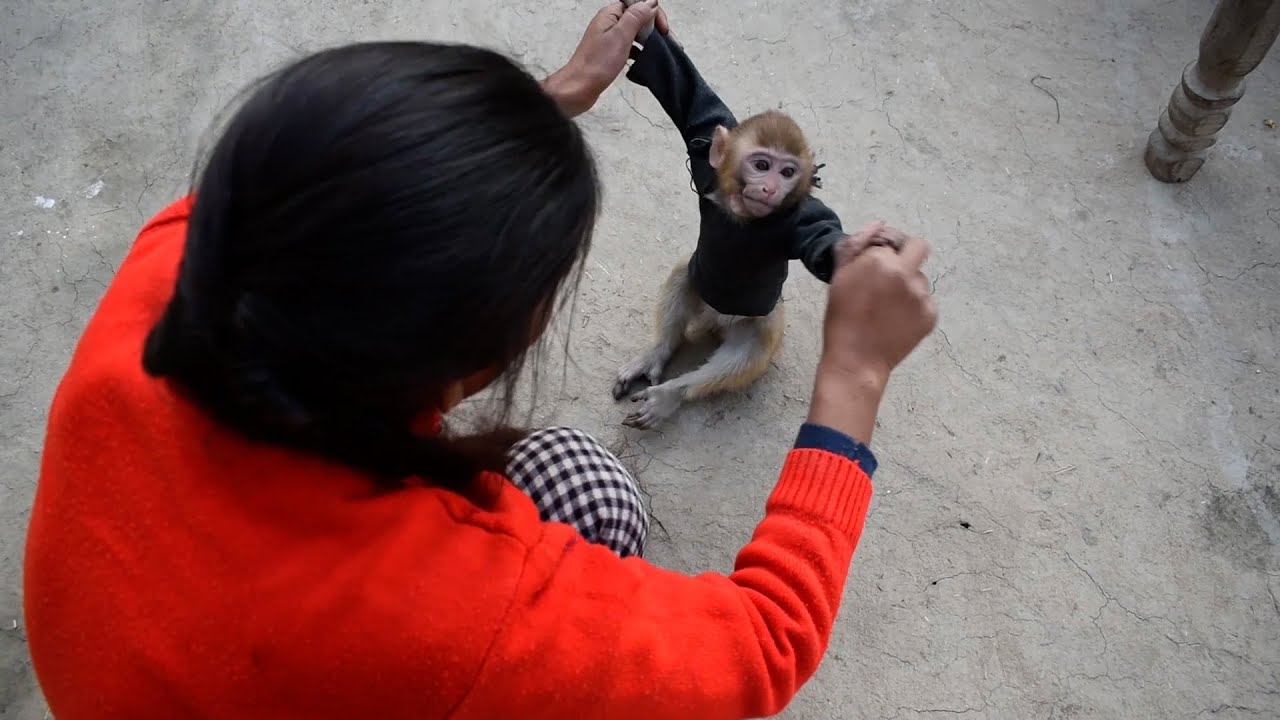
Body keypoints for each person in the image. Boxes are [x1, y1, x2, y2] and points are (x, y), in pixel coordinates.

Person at [22, 2, 938, 718]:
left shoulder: (167, 273)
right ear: (481, 351)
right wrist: (853, 375)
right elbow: (764, 644)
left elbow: (334, 179)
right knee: (590, 486)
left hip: (113, 678)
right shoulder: (465, 612)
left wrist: (553, 97)